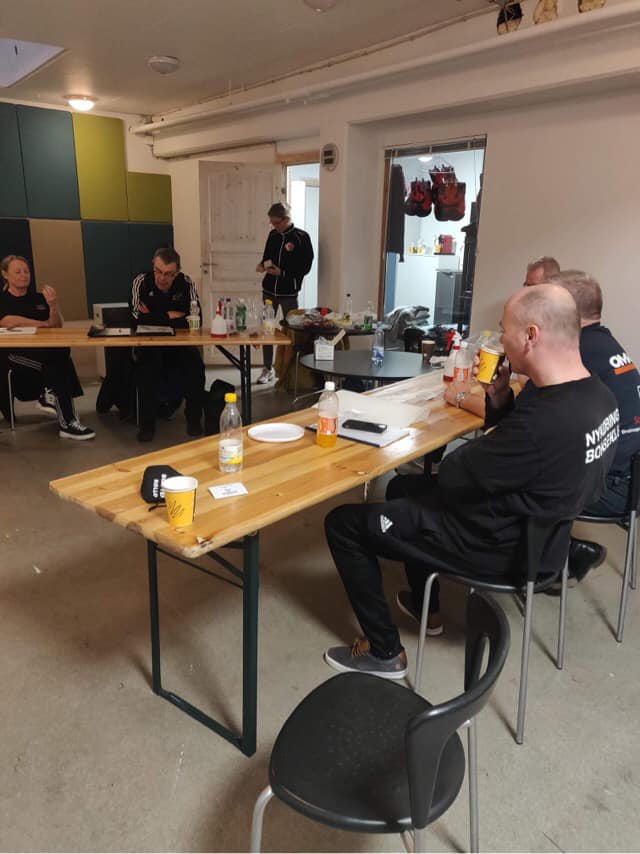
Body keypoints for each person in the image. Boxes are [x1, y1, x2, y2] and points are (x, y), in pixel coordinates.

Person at [323, 284, 619, 679]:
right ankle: (428, 609)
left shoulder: (543, 424)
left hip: (493, 546)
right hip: (544, 539)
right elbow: (520, 461)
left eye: (505, 330)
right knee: (401, 488)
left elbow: (454, 473)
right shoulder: (599, 397)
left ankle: (384, 652)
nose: (500, 340)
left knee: (343, 523)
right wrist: (499, 401)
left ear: (531, 336)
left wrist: (493, 433)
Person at [546, 270, 640, 580]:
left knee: (516, 475)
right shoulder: (605, 343)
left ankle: (556, 557)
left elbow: (531, 417)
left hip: (614, 487)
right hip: (631, 479)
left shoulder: (577, 351)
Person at [0, 255, 95, 440]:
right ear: (5, 275)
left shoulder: (39, 298)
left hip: (41, 353)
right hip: (13, 355)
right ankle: (67, 419)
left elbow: (56, 325)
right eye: (18, 272)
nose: (24, 275)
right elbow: (8, 320)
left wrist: (52, 306)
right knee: (59, 365)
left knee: (60, 354)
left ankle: (61, 411)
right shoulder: (3, 299)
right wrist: (42, 324)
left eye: (26, 271)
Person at [130, 247, 205, 442]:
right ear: (153, 267)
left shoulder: (186, 283)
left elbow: (196, 320)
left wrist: (152, 316)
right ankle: (147, 425)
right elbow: (135, 320)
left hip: (179, 344)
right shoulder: (141, 282)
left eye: (169, 274)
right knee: (146, 368)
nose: (162, 278)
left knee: (195, 365)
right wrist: (170, 315)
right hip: (149, 344)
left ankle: (194, 419)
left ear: (177, 272)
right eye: (159, 271)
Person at [255, 202, 314, 384]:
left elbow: (305, 266)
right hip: (269, 291)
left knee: (292, 332)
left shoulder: (301, 237)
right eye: (271, 222)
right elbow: (267, 256)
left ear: (286, 219)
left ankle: (290, 370)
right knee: (267, 330)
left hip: (289, 293)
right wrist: (262, 265)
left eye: (276, 222)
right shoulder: (273, 235)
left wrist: (283, 273)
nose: (273, 226)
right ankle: (267, 368)